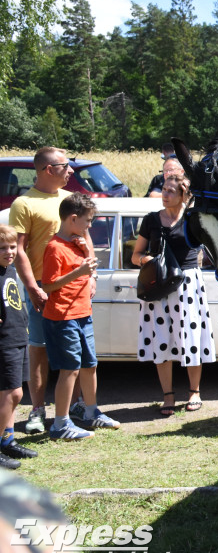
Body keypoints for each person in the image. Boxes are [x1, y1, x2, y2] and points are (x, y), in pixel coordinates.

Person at [9, 146, 91, 435]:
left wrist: (90, 277)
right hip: (44, 292)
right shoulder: (24, 203)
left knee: (79, 353)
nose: (70, 171)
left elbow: (85, 234)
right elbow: (18, 250)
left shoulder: (70, 199)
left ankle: (77, 406)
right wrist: (32, 288)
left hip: (77, 291)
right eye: (65, 166)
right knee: (39, 352)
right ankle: (37, 410)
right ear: (47, 169)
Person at [132, 175, 215, 415]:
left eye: (171, 191)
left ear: (183, 196)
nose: (165, 194)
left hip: (187, 283)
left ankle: (194, 391)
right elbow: (135, 254)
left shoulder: (192, 220)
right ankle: (168, 395)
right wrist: (146, 260)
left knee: (191, 338)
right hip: (159, 284)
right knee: (161, 340)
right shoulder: (150, 220)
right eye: (164, 190)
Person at [41, 193, 119, 439]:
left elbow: (88, 269)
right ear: (73, 218)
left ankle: (91, 412)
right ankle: (60, 424)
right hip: (63, 318)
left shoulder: (76, 242)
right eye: (88, 221)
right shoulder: (55, 247)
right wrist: (80, 271)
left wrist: (86, 255)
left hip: (82, 314)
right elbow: (48, 286)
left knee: (89, 365)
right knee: (69, 369)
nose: (90, 226)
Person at [0, 226, 36, 469]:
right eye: (2, 248)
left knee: (12, 395)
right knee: (13, 394)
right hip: (3, 341)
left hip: (17, 336)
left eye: (12, 247)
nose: (9, 252)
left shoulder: (9, 269)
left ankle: (8, 440)